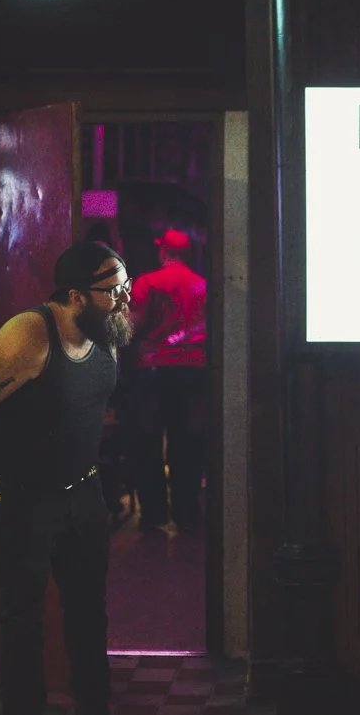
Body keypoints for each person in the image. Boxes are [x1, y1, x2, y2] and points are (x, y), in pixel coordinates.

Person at [0, 241, 134, 715]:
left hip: (83, 491)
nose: (125, 298)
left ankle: (94, 706)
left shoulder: (105, 329)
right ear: (75, 295)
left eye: (126, 284)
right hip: (20, 498)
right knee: (21, 620)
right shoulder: (29, 336)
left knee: (89, 612)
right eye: (113, 290)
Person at [121, 227, 207, 532]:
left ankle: (154, 513)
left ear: (163, 252)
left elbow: (130, 327)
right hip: (194, 373)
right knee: (188, 444)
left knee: (148, 443)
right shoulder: (203, 286)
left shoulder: (148, 283)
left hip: (152, 373)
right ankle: (186, 511)